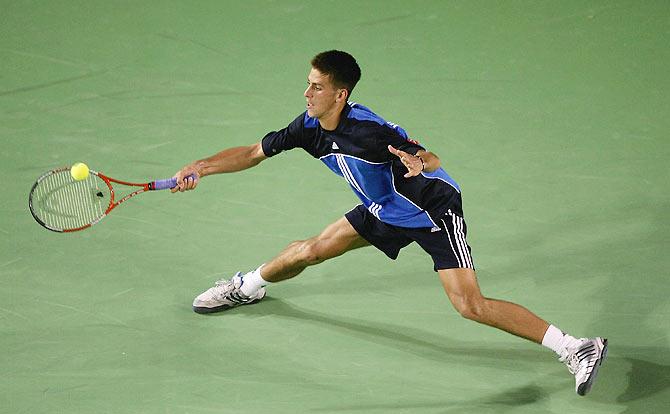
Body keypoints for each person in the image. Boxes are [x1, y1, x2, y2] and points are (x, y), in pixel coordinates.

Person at [171, 50, 607, 396]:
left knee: (469, 305)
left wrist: (419, 163)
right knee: (312, 250)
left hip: (429, 211)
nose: (307, 93)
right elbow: (251, 153)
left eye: (316, 86)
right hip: (382, 208)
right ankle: (247, 286)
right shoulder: (307, 128)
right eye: (308, 83)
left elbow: (430, 157)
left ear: (340, 94)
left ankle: (575, 347)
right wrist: (201, 167)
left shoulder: (372, 132)